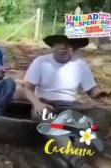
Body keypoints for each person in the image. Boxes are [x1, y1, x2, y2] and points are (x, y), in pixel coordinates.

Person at [23, 34, 111, 168]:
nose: (63, 47)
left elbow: (92, 91)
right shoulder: (41, 62)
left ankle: (80, 143)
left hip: (70, 111)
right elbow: (28, 88)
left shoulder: (80, 65)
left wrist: (103, 94)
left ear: (74, 48)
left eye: (68, 44)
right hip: (47, 107)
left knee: (102, 115)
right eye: (59, 43)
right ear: (53, 46)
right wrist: (37, 103)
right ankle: (77, 161)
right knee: (44, 115)